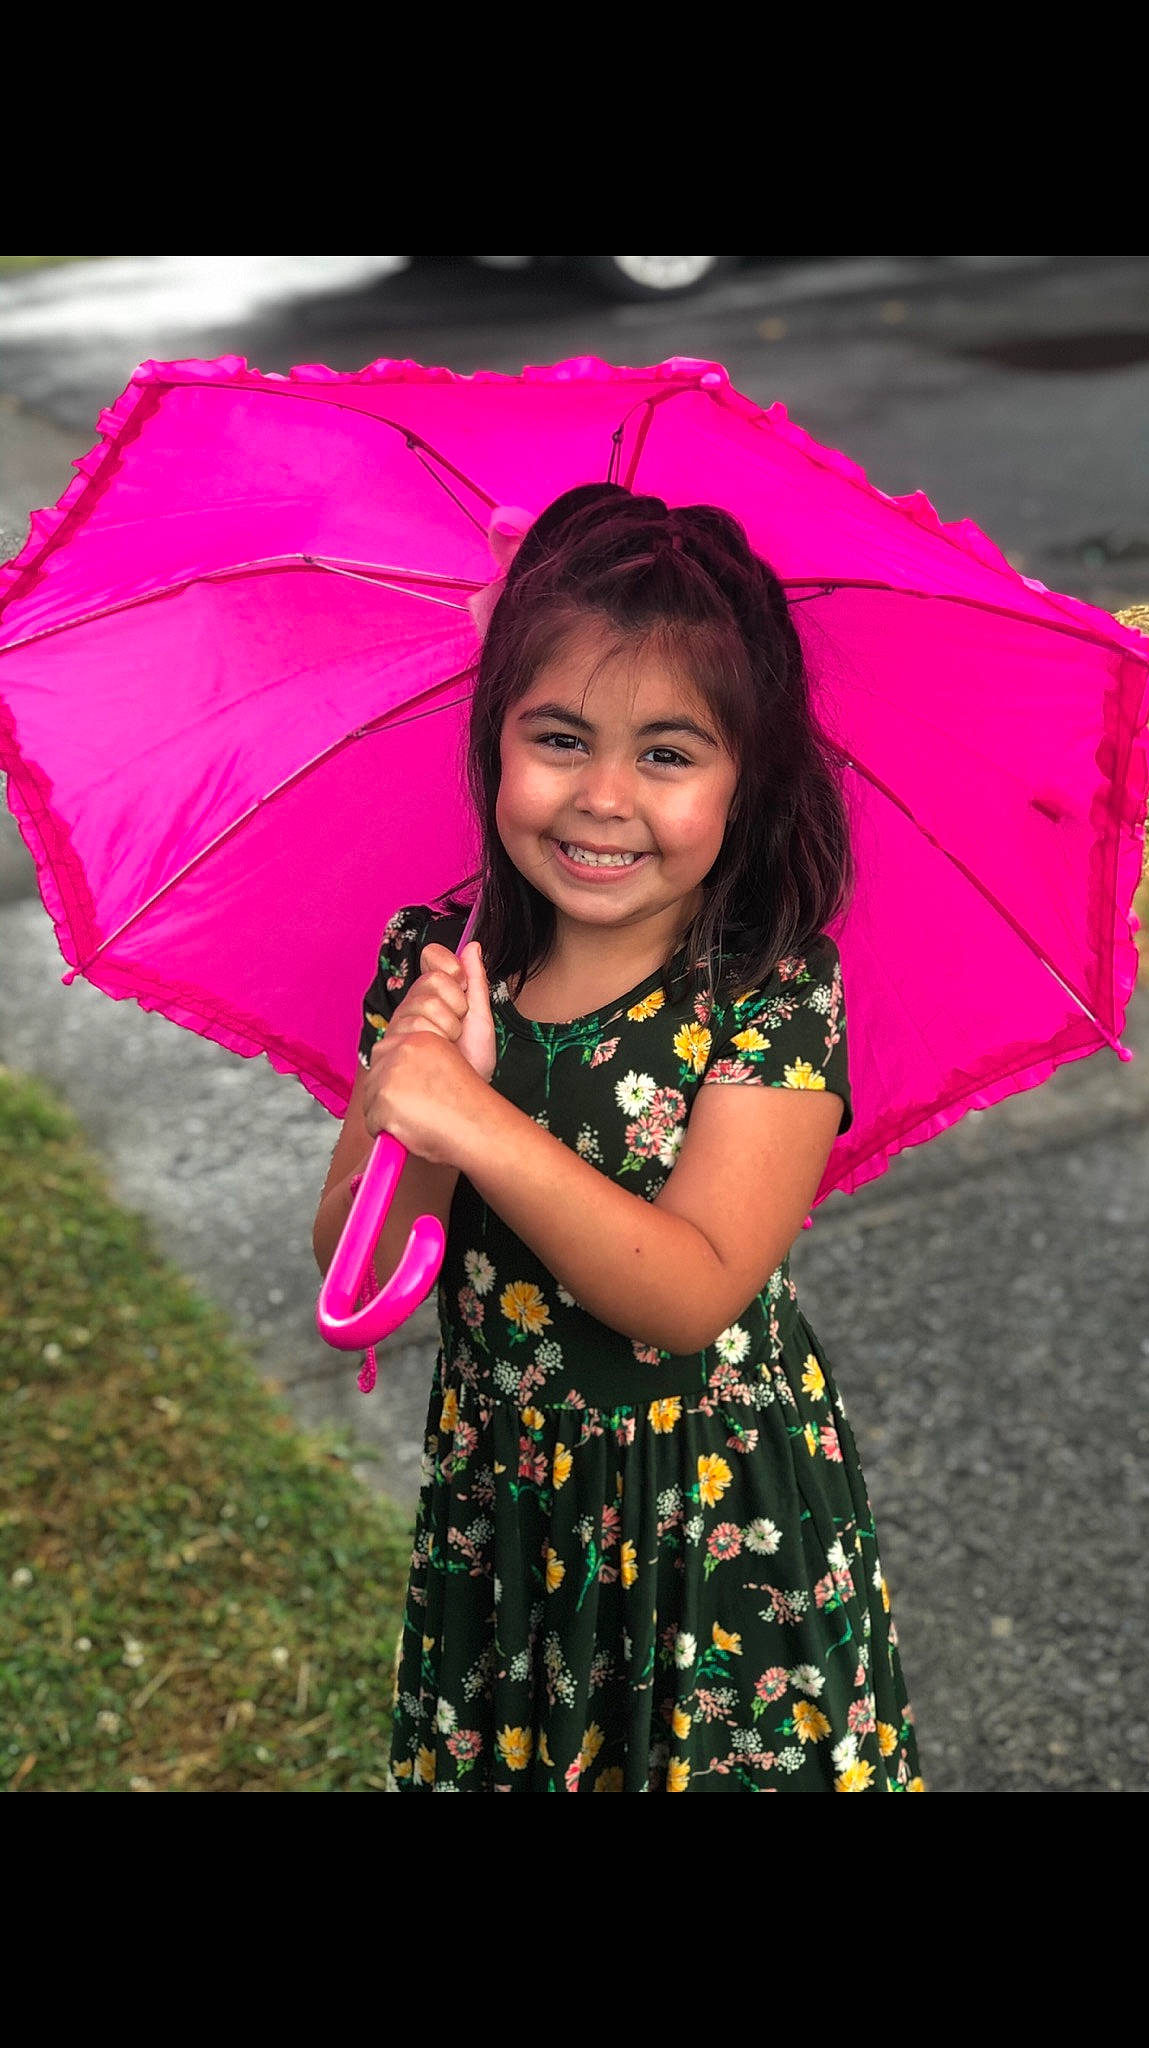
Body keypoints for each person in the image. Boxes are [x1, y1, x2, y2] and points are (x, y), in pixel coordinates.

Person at [313, 483, 923, 1793]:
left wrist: (477, 1120)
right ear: (493, 738)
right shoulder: (437, 961)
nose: (600, 797)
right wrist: (407, 1090)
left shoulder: (767, 995)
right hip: (510, 1510)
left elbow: (694, 1290)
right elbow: (355, 1266)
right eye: (558, 737)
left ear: (745, 775)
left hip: (711, 1527)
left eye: (666, 752)